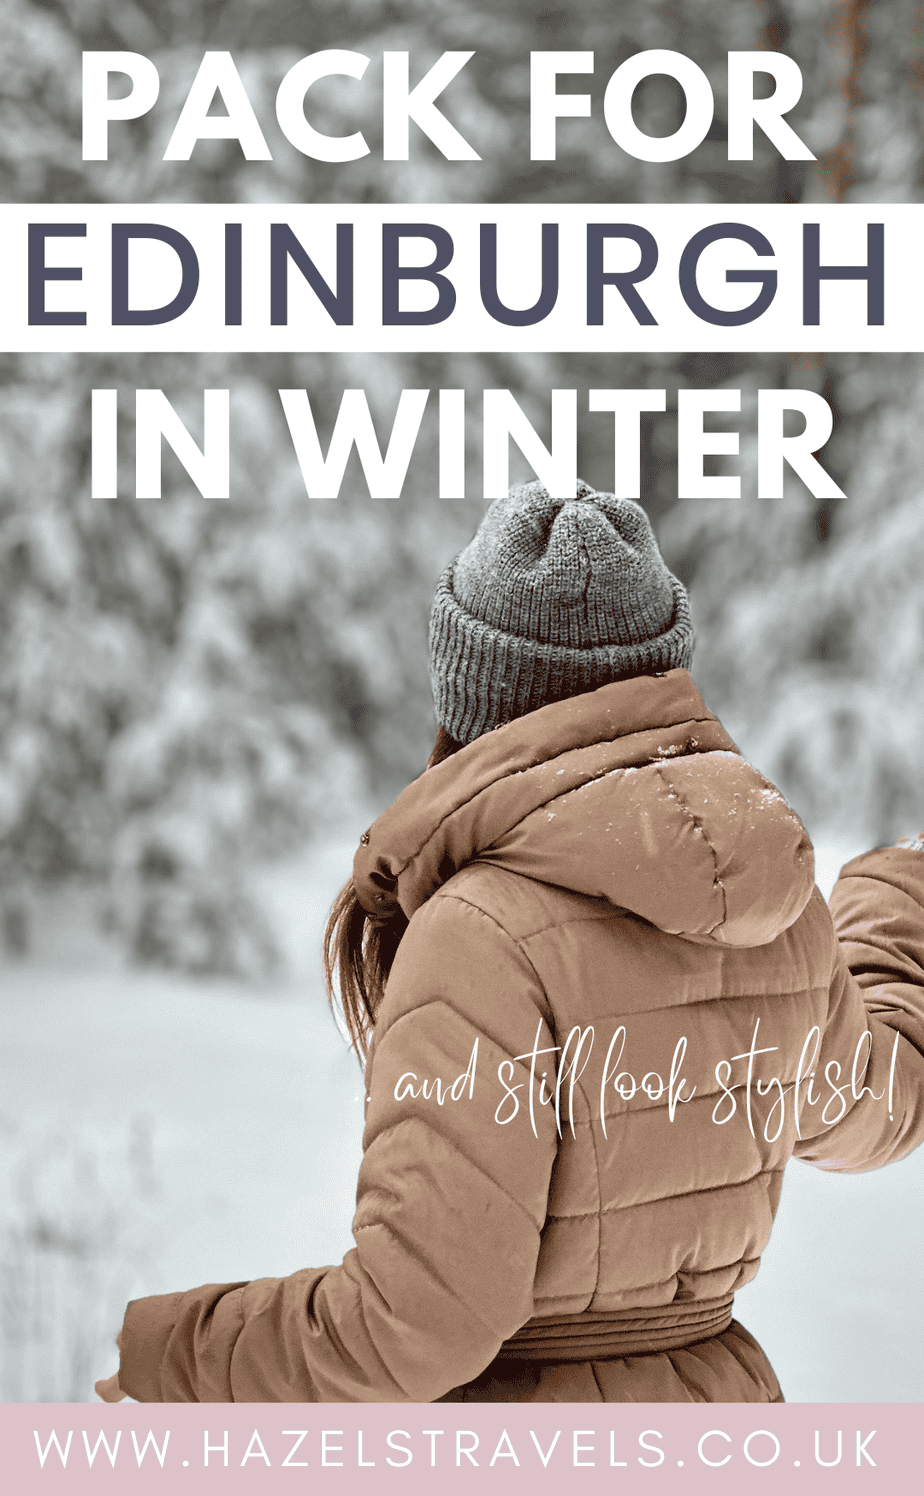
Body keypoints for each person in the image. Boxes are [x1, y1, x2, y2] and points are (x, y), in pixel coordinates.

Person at [98, 481, 924, 1404]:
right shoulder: (777, 901)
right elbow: (880, 1104)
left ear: (472, 691)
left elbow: (413, 1327)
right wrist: (896, 898)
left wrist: (177, 1348)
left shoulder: (481, 935)